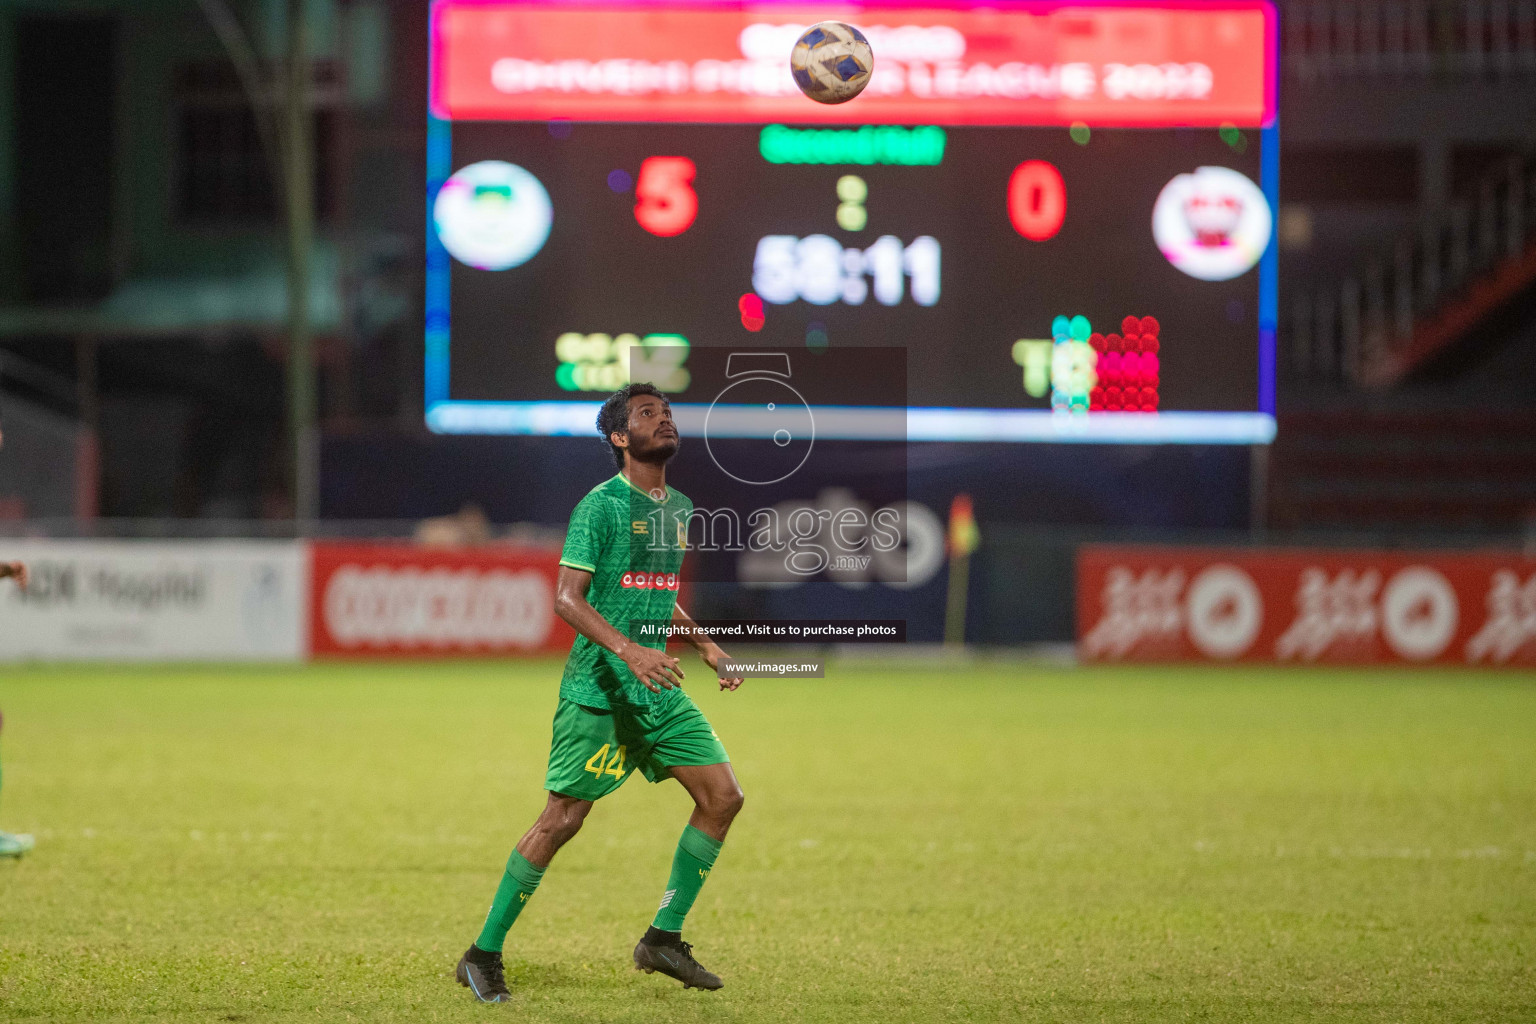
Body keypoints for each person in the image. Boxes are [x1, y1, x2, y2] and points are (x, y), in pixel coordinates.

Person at [456, 383, 745, 1002]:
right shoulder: (601, 506)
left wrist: (704, 643)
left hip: (657, 686)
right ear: (620, 438)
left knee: (723, 797)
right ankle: (481, 953)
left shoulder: (678, 506)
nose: (663, 419)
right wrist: (630, 651)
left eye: (666, 413)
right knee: (563, 818)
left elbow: (653, 594)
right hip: (601, 690)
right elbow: (567, 599)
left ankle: (661, 940)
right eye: (648, 414)